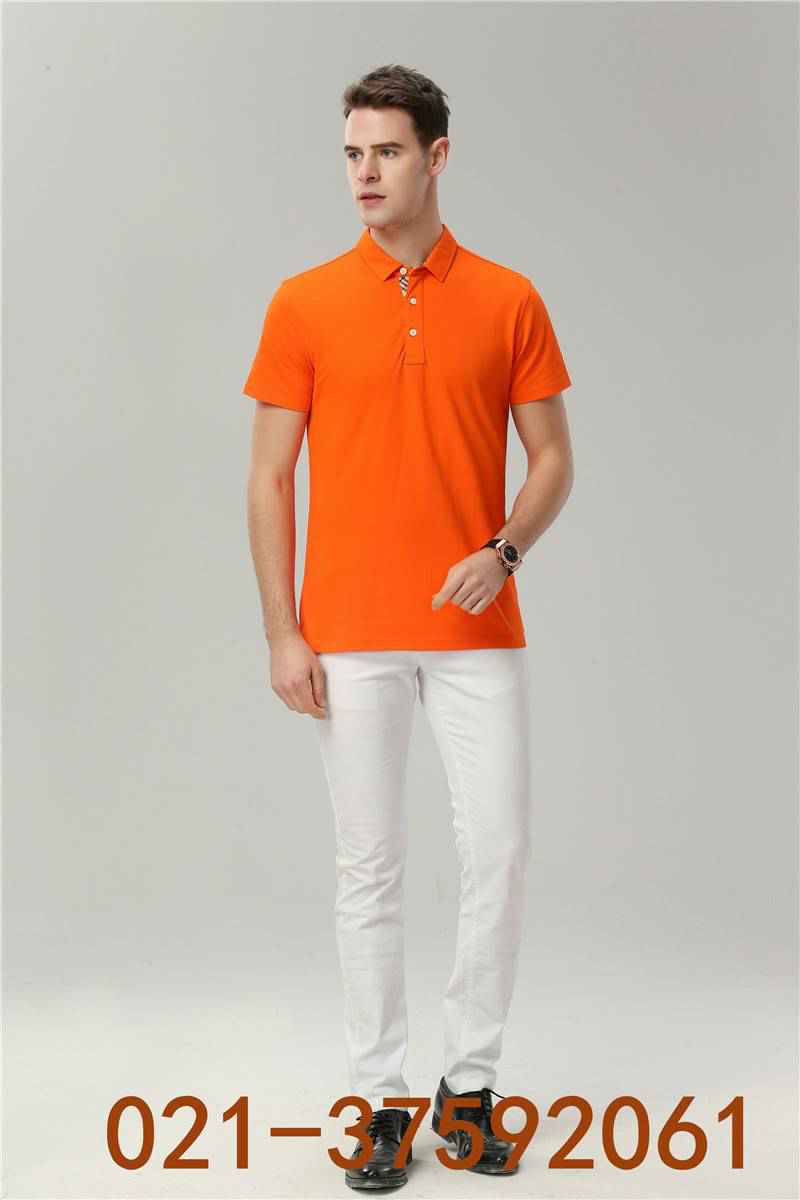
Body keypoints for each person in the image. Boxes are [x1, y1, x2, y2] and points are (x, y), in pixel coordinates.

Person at [242, 63, 574, 1190]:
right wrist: (283, 630)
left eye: (385, 151)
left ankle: (467, 1088)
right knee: (369, 867)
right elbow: (268, 477)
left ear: (437, 156)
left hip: (476, 631)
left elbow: (552, 458)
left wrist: (503, 551)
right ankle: (379, 1099)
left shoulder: (509, 298)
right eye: (352, 154)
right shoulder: (302, 302)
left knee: (500, 855)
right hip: (347, 633)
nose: (364, 174)